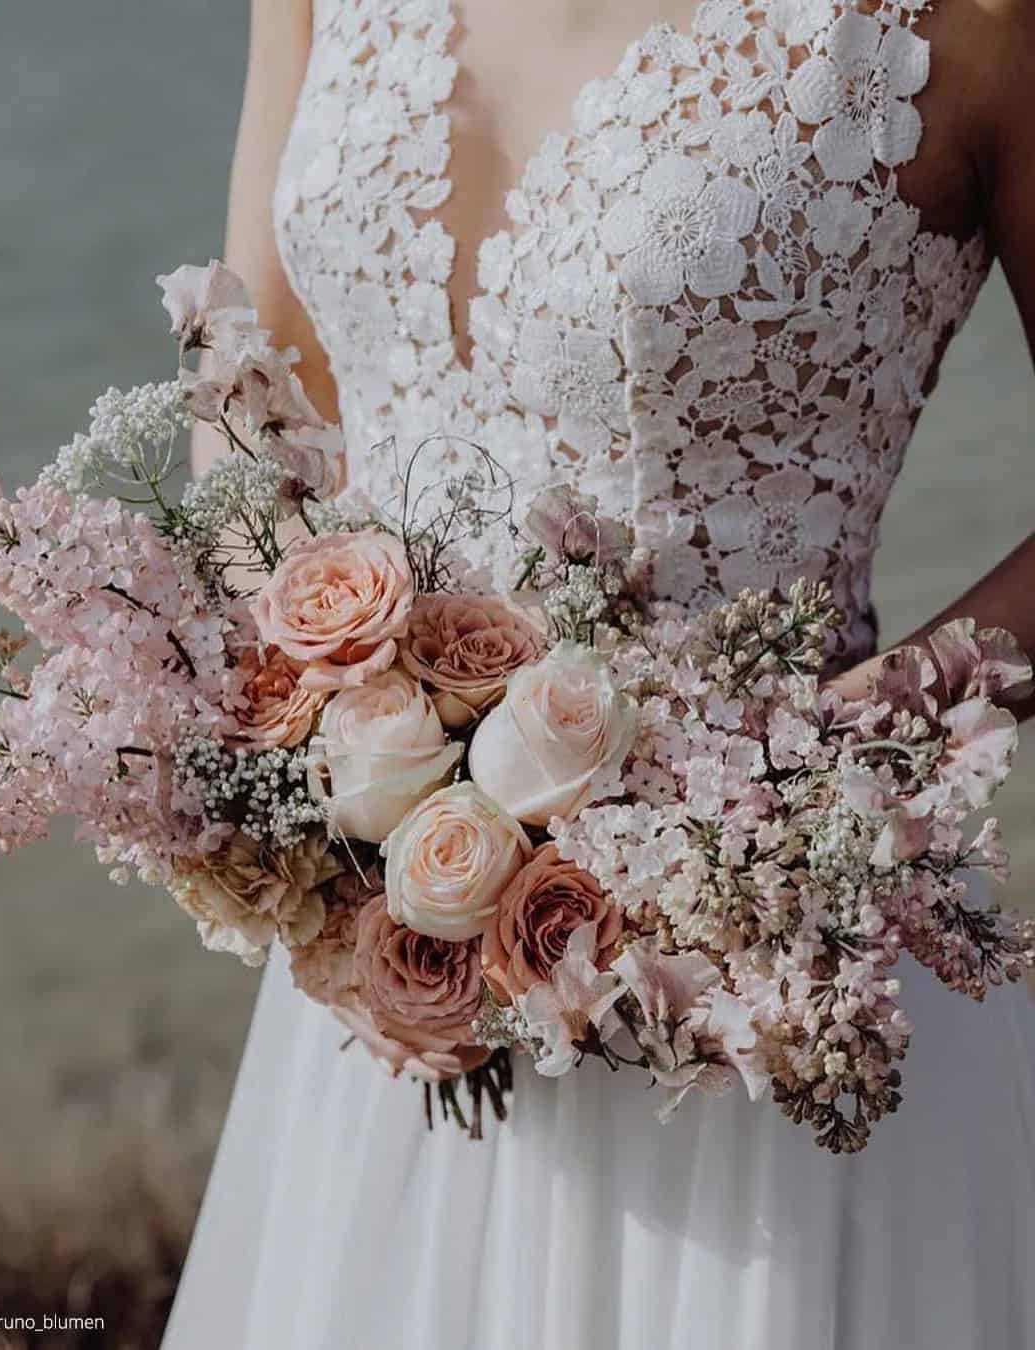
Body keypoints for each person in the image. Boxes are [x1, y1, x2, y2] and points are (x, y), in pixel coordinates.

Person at [165, 2, 1035, 1346]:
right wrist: (325, 748)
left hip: (766, 992)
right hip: (395, 984)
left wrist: (830, 749)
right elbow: (253, 393)